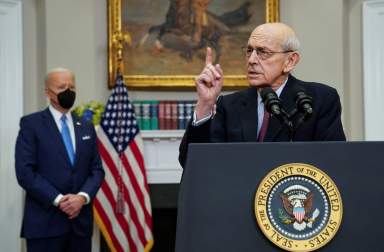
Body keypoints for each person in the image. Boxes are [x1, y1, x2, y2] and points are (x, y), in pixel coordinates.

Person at [179, 22, 346, 167]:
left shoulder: (317, 100)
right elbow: (192, 162)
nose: (251, 60)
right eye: (249, 51)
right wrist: (205, 104)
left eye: (263, 52)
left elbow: (334, 160)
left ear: (290, 61)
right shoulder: (229, 105)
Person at [15, 68, 105, 252]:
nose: (68, 91)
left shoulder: (86, 126)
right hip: (44, 225)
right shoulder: (31, 124)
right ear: (48, 92)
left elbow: (96, 170)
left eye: (72, 86)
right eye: (62, 87)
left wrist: (82, 197)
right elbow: (25, 172)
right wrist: (59, 200)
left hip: (79, 226)